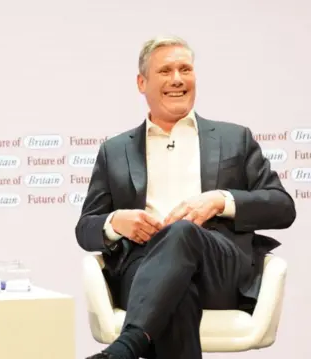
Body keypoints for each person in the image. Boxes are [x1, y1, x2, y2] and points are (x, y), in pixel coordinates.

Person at [77, 36, 296, 359]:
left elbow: (282, 207)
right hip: (144, 265)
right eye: (165, 71)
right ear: (142, 82)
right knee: (175, 294)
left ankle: (128, 346)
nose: (177, 79)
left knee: (182, 233)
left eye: (185, 69)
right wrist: (116, 221)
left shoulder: (234, 138)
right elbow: (85, 229)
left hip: (219, 266)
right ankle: (128, 346)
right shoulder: (115, 150)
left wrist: (221, 200)